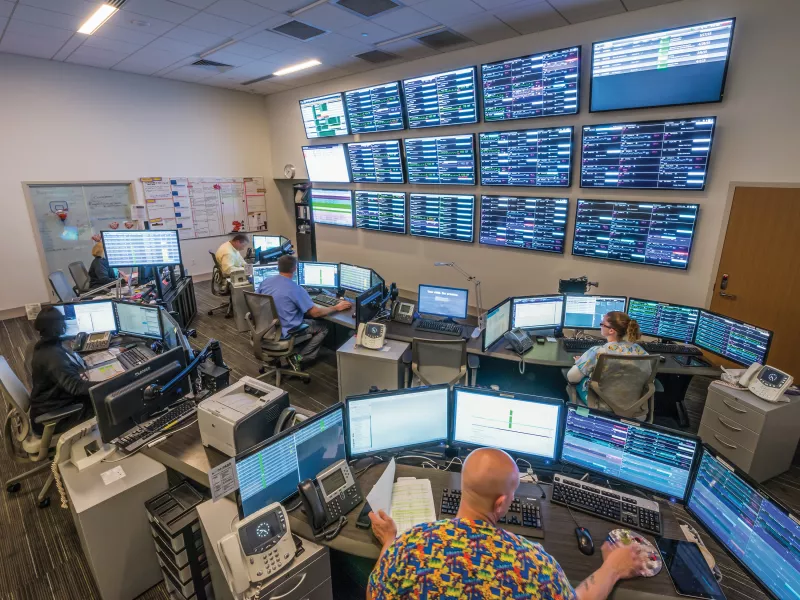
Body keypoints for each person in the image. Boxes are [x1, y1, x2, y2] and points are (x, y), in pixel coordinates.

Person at [368, 448, 648, 599]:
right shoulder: (536, 565)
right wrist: (612, 568)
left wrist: (390, 542)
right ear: (501, 503)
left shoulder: (408, 544)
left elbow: (374, 595)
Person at [256, 255, 350, 366]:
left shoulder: (266, 282)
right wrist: (336, 307)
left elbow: (256, 301)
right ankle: (300, 358)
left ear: (278, 267)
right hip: (285, 331)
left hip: (265, 328)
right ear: (294, 269)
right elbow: (315, 313)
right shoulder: (295, 288)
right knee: (323, 327)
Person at [29, 306, 95, 435]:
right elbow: (76, 387)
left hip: (49, 405)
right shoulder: (54, 357)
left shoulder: (43, 346)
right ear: (59, 326)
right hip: (54, 418)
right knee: (107, 400)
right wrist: (109, 384)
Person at [566, 311, 648, 408]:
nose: (600, 325)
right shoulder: (639, 351)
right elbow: (648, 376)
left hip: (602, 405)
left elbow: (572, 378)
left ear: (611, 331)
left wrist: (581, 363)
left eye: (602, 324)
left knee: (573, 384)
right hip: (633, 405)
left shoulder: (598, 351)